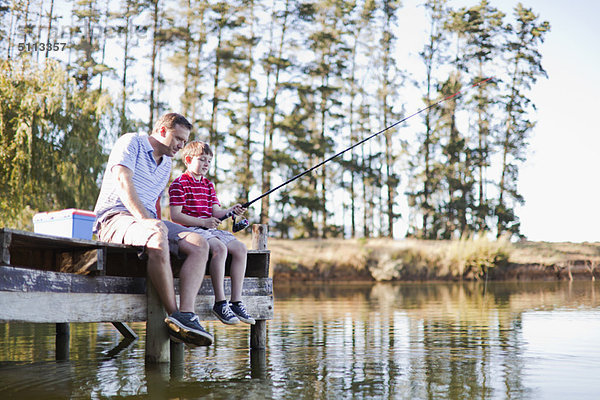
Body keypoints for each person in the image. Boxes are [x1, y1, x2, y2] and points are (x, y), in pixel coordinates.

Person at [93, 113, 214, 347]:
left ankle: (187, 314)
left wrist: (154, 222)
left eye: (184, 139)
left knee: (200, 244)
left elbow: (155, 204)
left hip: (146, 221)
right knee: (157, 233)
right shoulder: (131, 142)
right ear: (160, 131)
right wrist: (147, 222)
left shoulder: (166, 163)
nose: (182, 145)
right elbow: (122, 181)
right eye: (178, 138)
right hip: (115, 218)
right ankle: (174, 314)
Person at [169, 141, 255, 326]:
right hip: (190, 229)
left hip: (209, 228)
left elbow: (216, 212)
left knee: (240, 248)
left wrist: (231, 211)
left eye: (209, 160)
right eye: (202, 159)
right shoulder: (179, 184)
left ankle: (236, 302)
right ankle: (220, 302)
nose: (206, 164)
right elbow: (175, 215)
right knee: (219, 248)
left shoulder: (208, 185)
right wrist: (203, 222)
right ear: (188, 160)